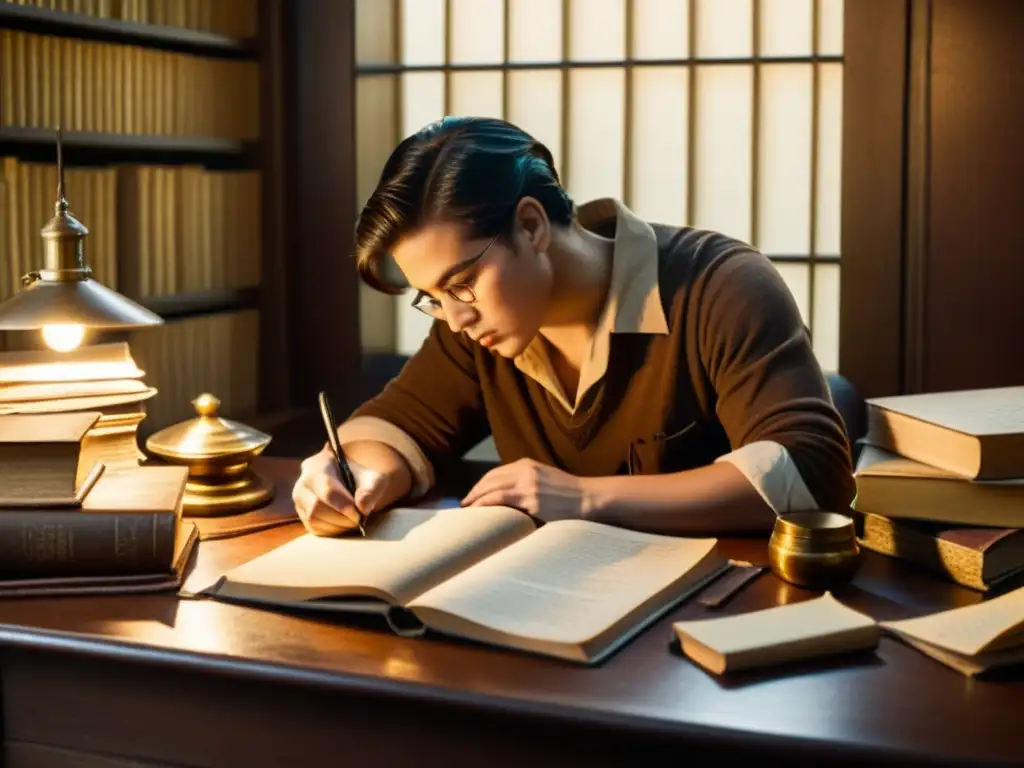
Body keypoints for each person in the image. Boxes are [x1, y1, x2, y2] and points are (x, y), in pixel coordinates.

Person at [291, 116, 856, 538]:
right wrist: (355, 474)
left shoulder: (721, 286)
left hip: (712, 620)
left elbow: (809, 468)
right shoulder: (480, 325)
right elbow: (397, 425)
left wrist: (585, 498)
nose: (455, 318)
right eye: (432, 297)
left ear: (531, 225)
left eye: (461, 284)